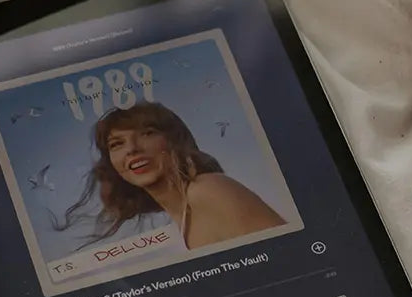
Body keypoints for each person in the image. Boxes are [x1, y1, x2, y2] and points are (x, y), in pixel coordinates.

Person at [56, 102, 285, 249]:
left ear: (173, 140)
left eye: (147, 133)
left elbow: (289, 253)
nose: (132, 149)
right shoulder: (186, 216)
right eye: (117, 144)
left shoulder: (207, 189)